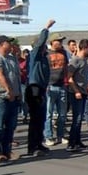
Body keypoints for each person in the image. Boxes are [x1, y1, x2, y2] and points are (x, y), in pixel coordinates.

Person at [0, 35, 21, 163]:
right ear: (2, 44)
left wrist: (18, 92)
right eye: (9, 42)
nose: (11, 44)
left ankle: (7, 151)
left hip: (14, 97)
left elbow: (17, 77)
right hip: (1, 97)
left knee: (11, 126)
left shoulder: (12, 58)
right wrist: (9, 90)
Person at [26, 19, 56, 156]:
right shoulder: (35, 55)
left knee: (41, 118)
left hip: (42, 89)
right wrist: (46, 28)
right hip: (34, 89)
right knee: (35, 119)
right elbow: (40, 43)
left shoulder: (44, 58)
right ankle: (32, 147)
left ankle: (39, 143)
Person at [43, 33, 69, 146]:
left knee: (62, 114)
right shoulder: (46, 54)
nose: (60, 43)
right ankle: (48, 136)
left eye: (61, 41)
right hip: (50, 86)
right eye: (58, 40)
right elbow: (43, 71)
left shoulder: (63, 53)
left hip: (62, 86)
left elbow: (66, 68)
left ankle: (60, 135)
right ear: (52, 42)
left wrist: (67, 82)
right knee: (48, 114)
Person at [67, 39, 88, 151]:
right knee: (76, 119)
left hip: (82, 93)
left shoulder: (84, 61)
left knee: (79, 119)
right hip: (75, 93)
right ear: (85, 47)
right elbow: (69, 77)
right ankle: (71, 143)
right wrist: (76, 91)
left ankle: (77, 141)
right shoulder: (75, 60)